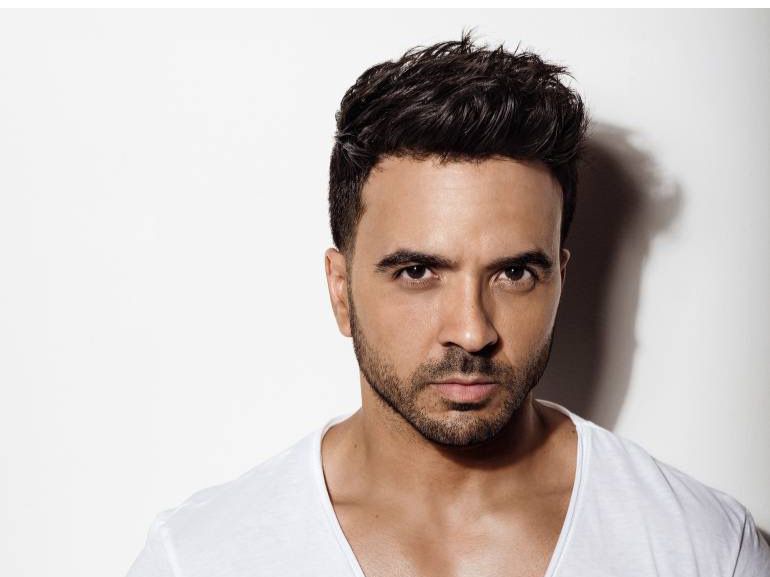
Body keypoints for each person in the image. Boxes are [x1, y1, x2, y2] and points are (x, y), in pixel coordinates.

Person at [127, 33, 770, 577]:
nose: (471, 331)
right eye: (417, 272)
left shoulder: (703, 548)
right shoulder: (202, 558)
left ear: (559, 281)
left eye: (514, 272)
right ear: (341, 289)